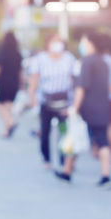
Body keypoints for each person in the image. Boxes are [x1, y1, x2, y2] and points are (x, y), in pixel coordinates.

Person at [66, 31, 111, 189]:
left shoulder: (86, 62)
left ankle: (67, 171)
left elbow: (81, 87)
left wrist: (74, 108)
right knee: (102, 141)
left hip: (87, 109)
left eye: (84, 41)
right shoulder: (103, 62)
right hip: (102, 107)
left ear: (90, 43)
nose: (82, 45)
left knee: (75, 137)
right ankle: (106, 175)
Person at [28, 33, 77, 178]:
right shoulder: (40, 59)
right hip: (46, 101)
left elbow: (74, 79)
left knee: (64, 132)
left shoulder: (69, 58)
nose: (57, 44)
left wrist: (74, 102)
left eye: (60, 41)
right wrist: (32, 97)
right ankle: (46, 158)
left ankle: (64, 159)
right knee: (45, 130)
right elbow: (34, 79)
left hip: (64, 102)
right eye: (54, 41)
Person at [0, 31, 22, 138]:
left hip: (3, 84)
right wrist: (21, 84)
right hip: (14, 84)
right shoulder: (18, 54)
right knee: (8, 107)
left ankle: (10, 122)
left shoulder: (2, 53)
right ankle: (6, 130)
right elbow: (21, 71)